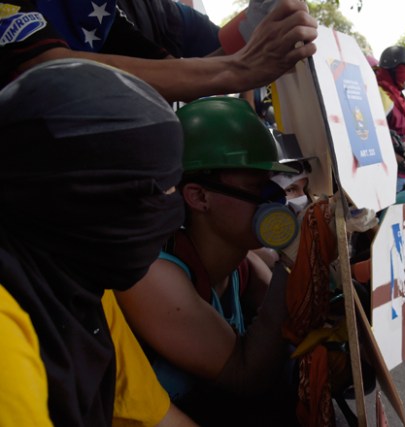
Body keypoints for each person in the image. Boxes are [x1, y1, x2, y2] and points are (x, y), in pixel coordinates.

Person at [0, 59, 192, 426]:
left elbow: (150, 418)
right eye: (159, 192)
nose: (172, 209)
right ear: (88, 197)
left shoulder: (81, 284)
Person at [115, 96, 303, 426]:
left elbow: (297, 318)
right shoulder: (151, 274)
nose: (274, 202)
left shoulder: (243, 261)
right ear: (199, 197)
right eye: (256, 187)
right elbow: (246, 374)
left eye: (273, 186)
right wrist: (293, 260)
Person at [0, 0, 318, 101]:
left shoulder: (104, 10)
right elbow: (48, 69)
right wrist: (239, 69)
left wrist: (260, 26)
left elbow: (169, 74)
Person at [375, 45, 405, 191]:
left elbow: (404, 134)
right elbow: (373, 136)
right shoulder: (379, 93)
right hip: (386, 174)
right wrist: (400, 161)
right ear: (392, 69)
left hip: (403, 175)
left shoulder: (399, 96)